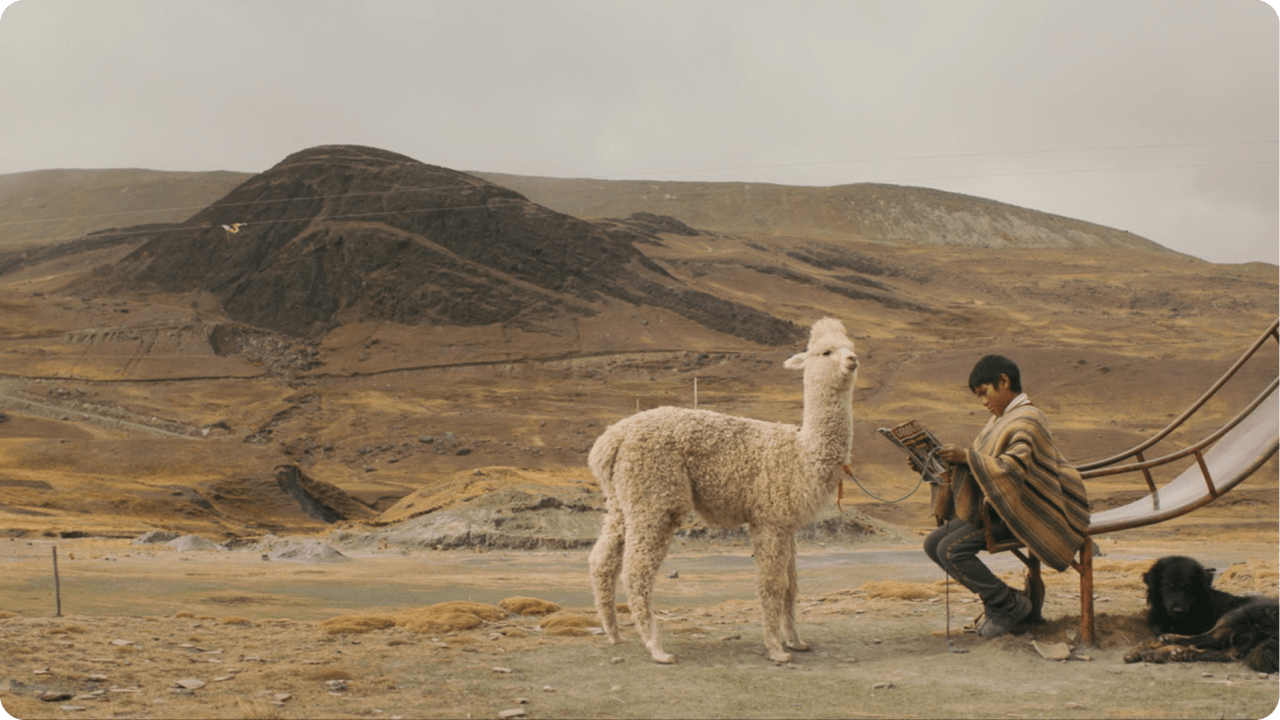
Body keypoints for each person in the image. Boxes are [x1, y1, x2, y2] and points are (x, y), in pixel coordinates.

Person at [922, 354, 1090, 638]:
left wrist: (966, 457)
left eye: (984, 393)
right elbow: (981, 470)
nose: (983, 402)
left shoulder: (1028, 418)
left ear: (1004, 382)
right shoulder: (998, 421)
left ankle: (1008, 605)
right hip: (999, 506)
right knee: (933, 543)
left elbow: (1010, 470)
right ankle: (1004, 602)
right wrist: (931, 466)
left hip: (1026, 509)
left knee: (951, 550)